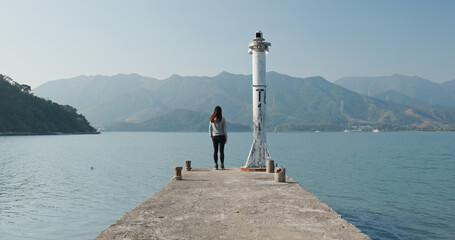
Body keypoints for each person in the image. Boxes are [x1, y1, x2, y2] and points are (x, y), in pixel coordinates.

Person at [209, 106, 227, 170]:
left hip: (215, 137)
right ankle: (222, 165)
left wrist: (211, 137)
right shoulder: (223, 119)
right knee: (221, 151)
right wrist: (226, 138)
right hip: (222, 136)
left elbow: (210, 129)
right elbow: (225, 130)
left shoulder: (212, 119)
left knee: (215, 151)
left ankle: (216, 165)